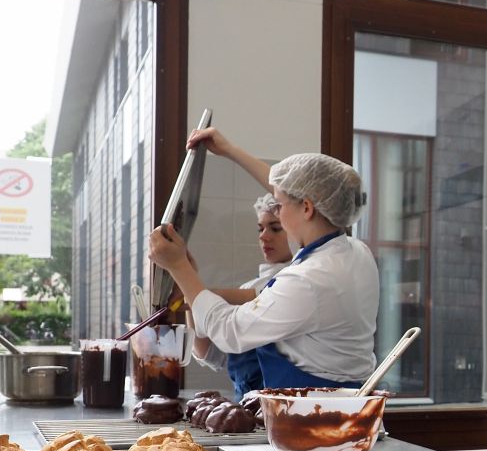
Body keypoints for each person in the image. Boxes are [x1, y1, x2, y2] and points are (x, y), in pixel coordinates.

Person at [150, 128, 379, 399]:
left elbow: (230, 331)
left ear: (307, 208)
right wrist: (229, 150)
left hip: (316, 422)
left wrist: (179, 267)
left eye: (280, 208)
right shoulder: (355, 252)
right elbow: (295, 192)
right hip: (344, 414)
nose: (277, 214)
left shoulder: (308, 280)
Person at [188, 192, 295, 392]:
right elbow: (209, 353)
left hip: (287, 406)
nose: (264, 236)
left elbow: (259, 296)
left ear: (296, 228)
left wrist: (189, 282)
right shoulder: (250, 286)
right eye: (260, 228)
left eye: (275, 228)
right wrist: (187, 288)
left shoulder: (298, 282)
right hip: (246, 409)